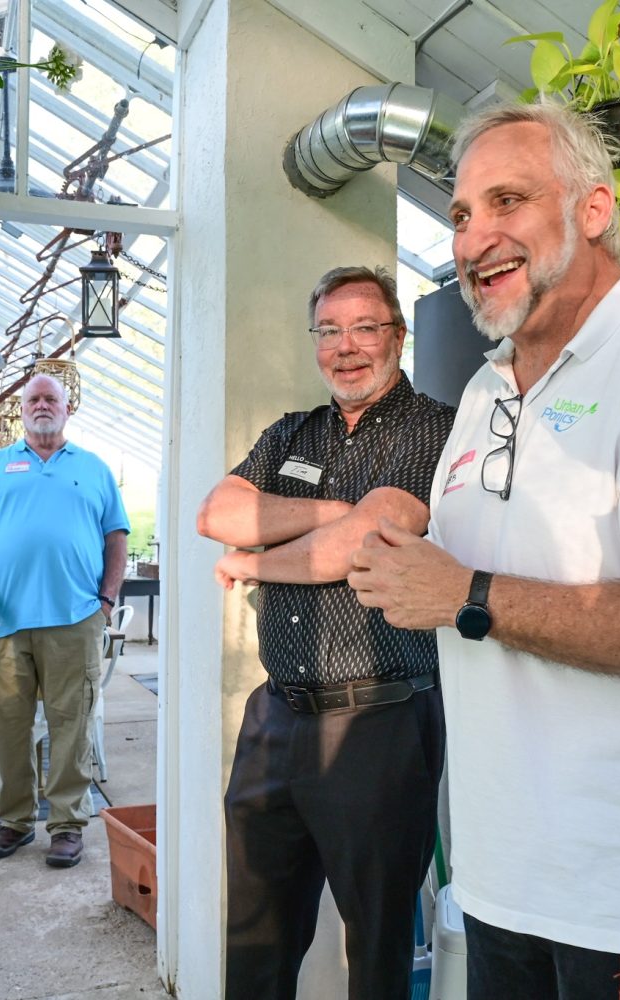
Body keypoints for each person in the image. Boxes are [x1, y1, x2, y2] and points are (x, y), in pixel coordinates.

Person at [345, 103, 620, 1000]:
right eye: (463, 214)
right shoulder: (483, 387)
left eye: (508, 200)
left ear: (594, 209)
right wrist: (419, 531)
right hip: (502, 886)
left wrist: (466, 592)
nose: (474, 239)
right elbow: (497, 553)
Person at [198, 266, 456, 1000]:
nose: (347, 347)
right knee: (255, 943)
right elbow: (217, 512)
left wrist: (257, 558)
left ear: (397, 337)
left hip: (381, 721)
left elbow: (374, 537)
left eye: (365, 328)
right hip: (275, 719)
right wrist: (339, 509)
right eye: (330, 330)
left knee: (377, 950)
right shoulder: (292, 432)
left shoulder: (435, 428)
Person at [0, 373, 129, 868]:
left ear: (68, 409)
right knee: (7, 726)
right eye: (34, 398)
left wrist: (107, 600)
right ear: (22, 410)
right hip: (4, 623)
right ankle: (13, 822)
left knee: (70, 726)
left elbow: (117, 537)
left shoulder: (94, 469)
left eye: (52, 397)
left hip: (75, 619)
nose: (42, 404)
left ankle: (68, 824)